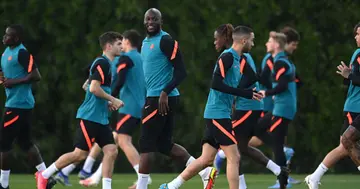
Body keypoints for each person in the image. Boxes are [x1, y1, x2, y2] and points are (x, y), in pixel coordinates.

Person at [160, 25, 263, 189]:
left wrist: (252, 92)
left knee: (206, 158)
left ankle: (170, 186)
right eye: (252, 40)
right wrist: (245, 94)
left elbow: (253, 76)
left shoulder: (238, 59)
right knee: (234, 156)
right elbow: (216, 84)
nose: (253, 43)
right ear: (243, 40)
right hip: (217, 114)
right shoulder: (227, 57)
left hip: (221, 114)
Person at [136, 8, 216, 189]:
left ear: (160, 21)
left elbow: (181, 71)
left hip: (160, 99)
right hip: (157, 98)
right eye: (147, 19)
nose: (150, 22)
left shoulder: (165, 40)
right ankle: (204, 172)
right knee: (164, 145)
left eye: (154, 19)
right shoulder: (145, 42)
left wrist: (164, 91)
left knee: (146, 145)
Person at [35, 31, 124, 189]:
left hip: (100, 118)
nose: (122, 47)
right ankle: (44, 175)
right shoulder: (103, 63)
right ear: (109, 46)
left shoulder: (105, 64)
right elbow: (94, 88)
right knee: (79, 154)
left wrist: (105, 102)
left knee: (111, 151)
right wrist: (112, 99)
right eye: (118, 44)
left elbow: (87, 86)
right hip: (90, 117)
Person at [211, 24, 289, 189]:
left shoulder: (240, 56)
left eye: (217, 38)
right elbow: (256, 77)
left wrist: (236, 92)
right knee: (242, 147)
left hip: (248, 106)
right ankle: (278, 170)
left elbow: (251, 78)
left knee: (234, 149)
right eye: (252, 41)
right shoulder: (235, 56)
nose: (215, 42)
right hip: (249, 105)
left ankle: (243, 184)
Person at [79, 29, 152, 189]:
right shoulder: (141, 58)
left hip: (128, 105)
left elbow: (119, 80)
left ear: (126, 42)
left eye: (122, 42)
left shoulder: (126, 58)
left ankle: (143, 177)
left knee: (123, 140)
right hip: (139, 104)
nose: (121, 46)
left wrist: (111, 98)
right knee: (112, 142)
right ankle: (93, 175)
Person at [305, 22, 360, 189]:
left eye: (359, 33)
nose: (356, 37)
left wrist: (349, 75)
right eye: (356, 34)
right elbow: (351, 80)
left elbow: (351, 77)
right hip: (356, 107)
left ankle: (314, 177)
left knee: (344, 146)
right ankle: (314, 177)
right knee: (345, 144)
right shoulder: (358, 53)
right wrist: (348, 75)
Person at [0, 24, 55, 189]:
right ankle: (46, 178)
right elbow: (3, 71)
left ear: (16, 38)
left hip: (18, 104)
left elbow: (36, 75)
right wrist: (2, 78)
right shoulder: (6, 53)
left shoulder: (22, 53)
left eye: (8, 35)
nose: (4, 37)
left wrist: (13, 82)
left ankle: (3, 184)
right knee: (26, 143)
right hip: (17, 104)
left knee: (3, 144)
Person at [256, 32, 298, 189]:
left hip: (283, 108)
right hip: (280, 107)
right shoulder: (279, 61)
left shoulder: (280, 62)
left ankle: (283, 184)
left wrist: (266, 93)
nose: (267, 43)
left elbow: (282, 86)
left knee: (277, 145)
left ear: (276, 45)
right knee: (258, 128)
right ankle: (283, 153)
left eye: (269, 41)